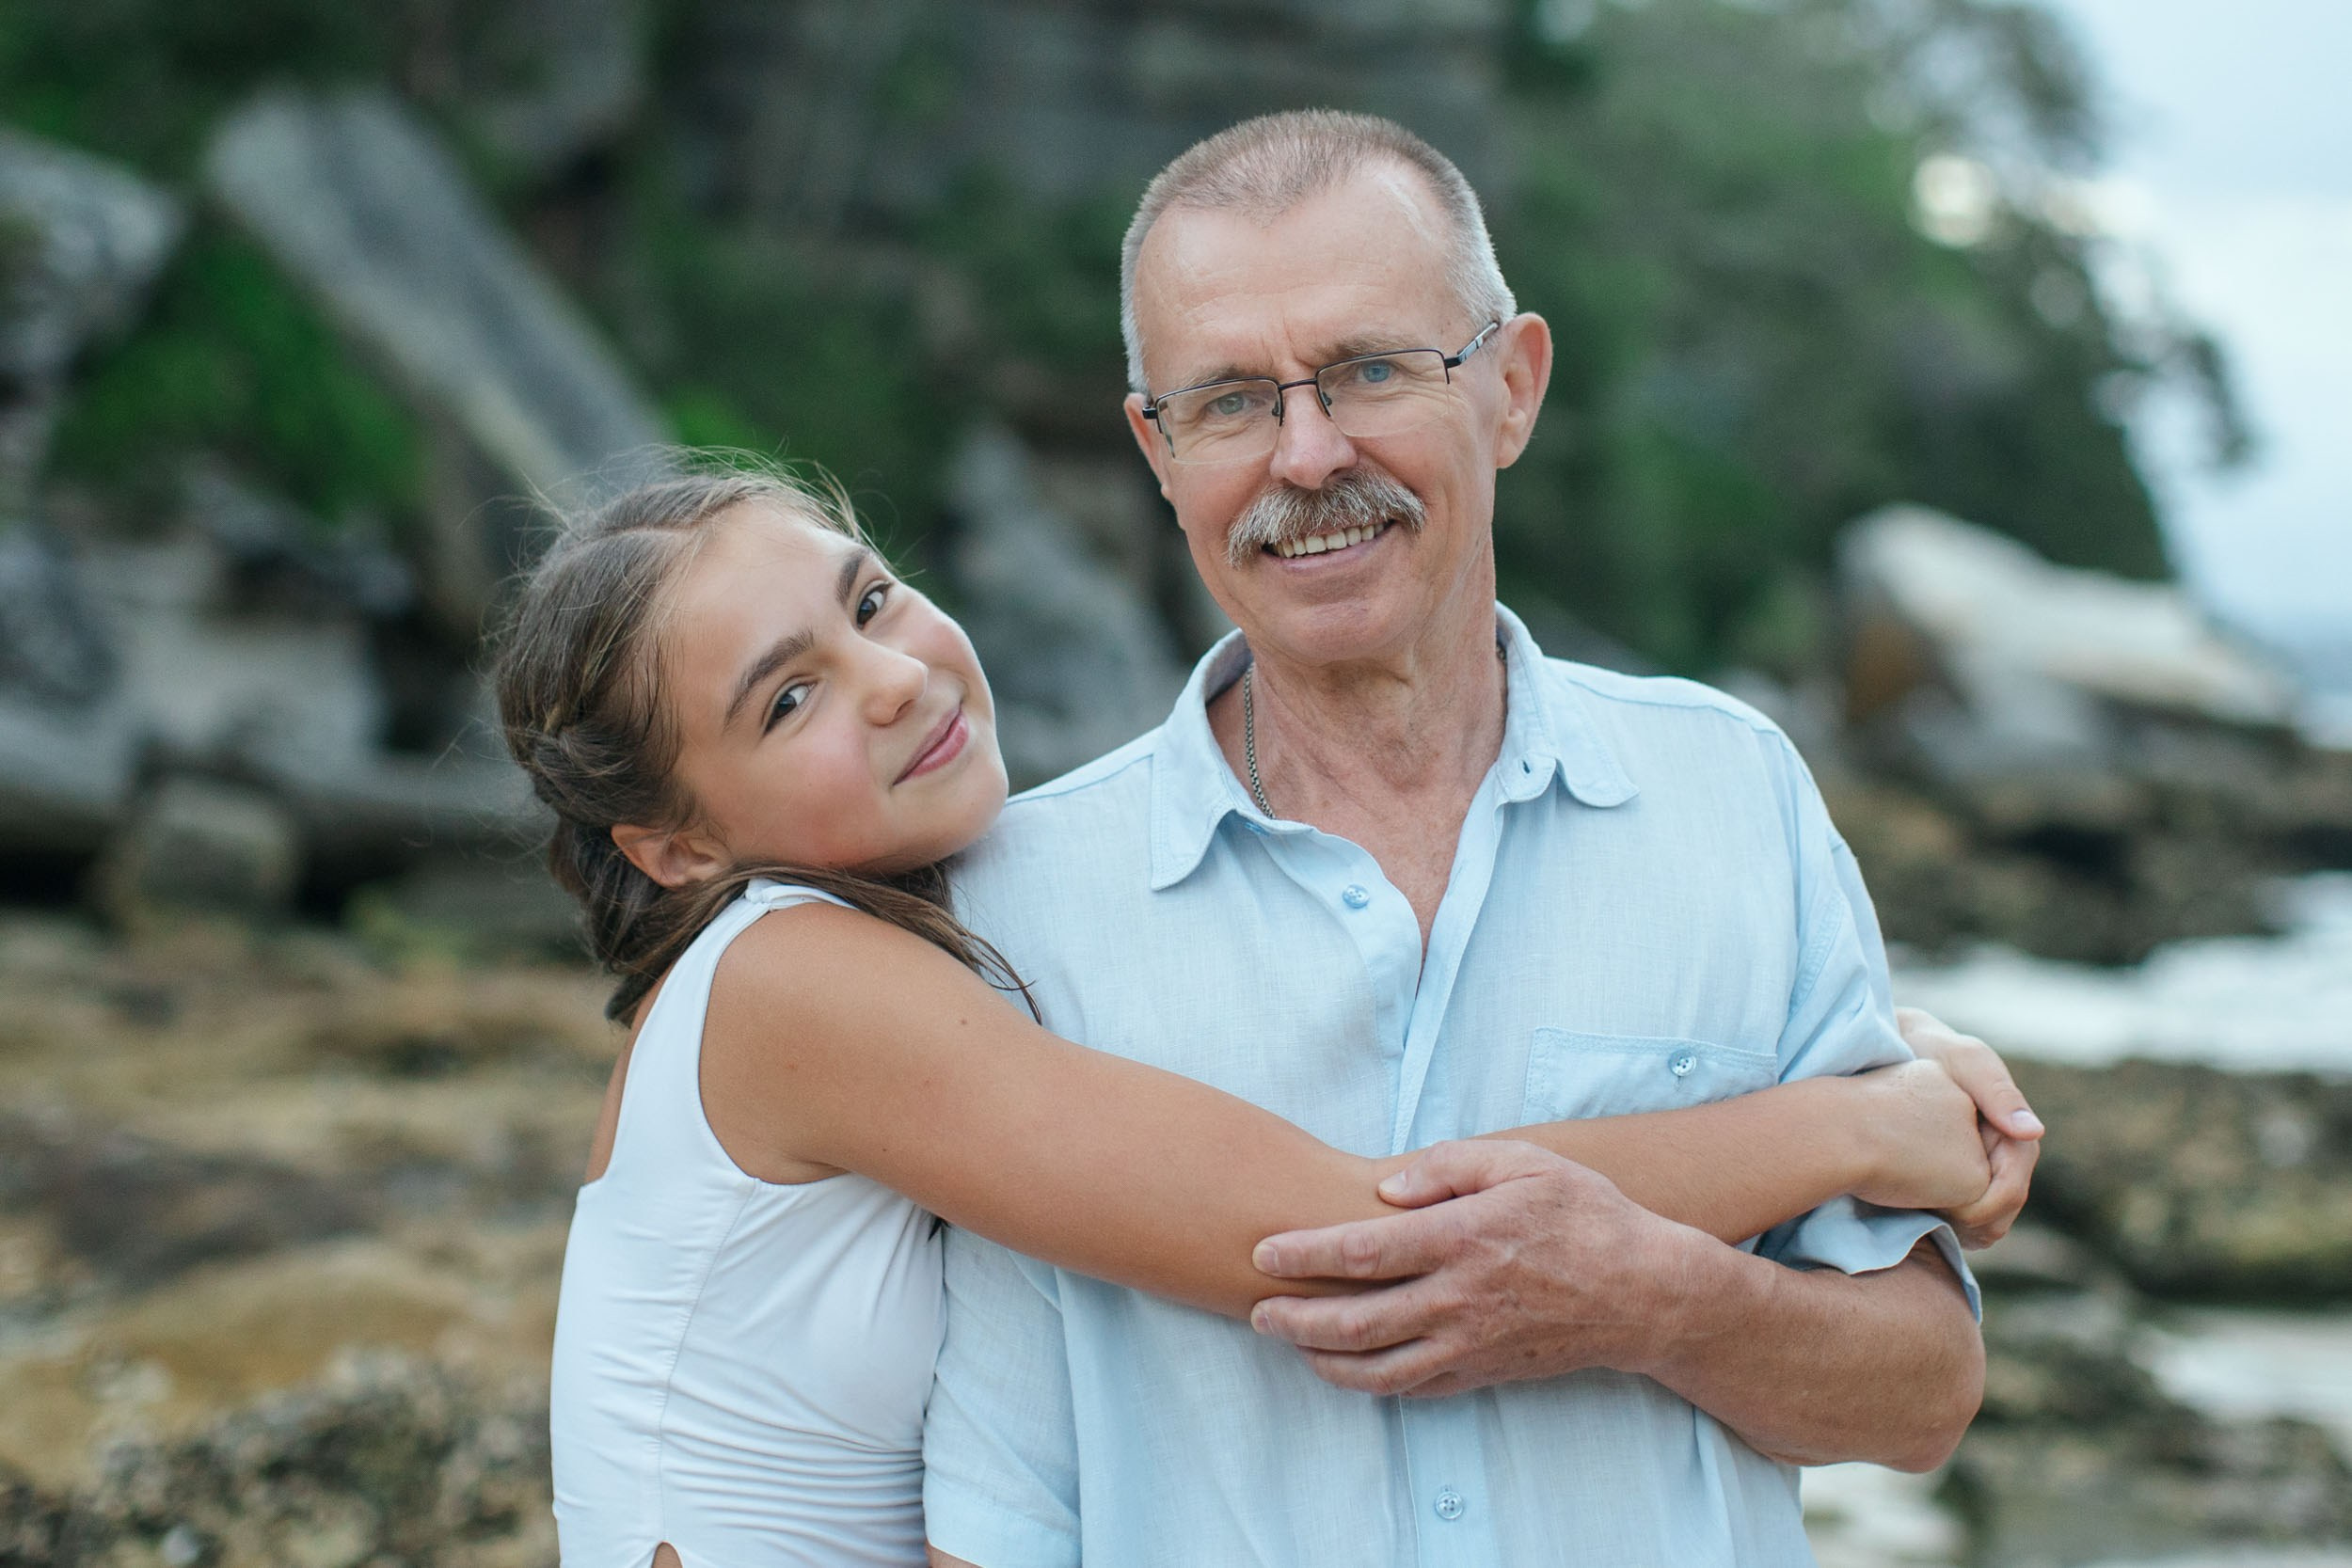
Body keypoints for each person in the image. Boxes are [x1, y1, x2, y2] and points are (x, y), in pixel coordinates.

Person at [498, 467, 2021, 1568]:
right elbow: (1368, 1227)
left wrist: (1898, 1038)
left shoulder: (897, 946)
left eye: (872, 601)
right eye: (787, 700)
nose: (893, 680)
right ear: (673, 847)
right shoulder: (793, 980)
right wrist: (1857, 1126)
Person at [917, 110, 2042, 1567]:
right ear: (1157, 446)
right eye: (1232, 401)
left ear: (1512, 388)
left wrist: (1652, 1301)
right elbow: (1000, 1512)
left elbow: (1921, 1397)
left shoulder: (1735, 795)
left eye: (1370, 371)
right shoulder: (1022, 902)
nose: (1307, 456)